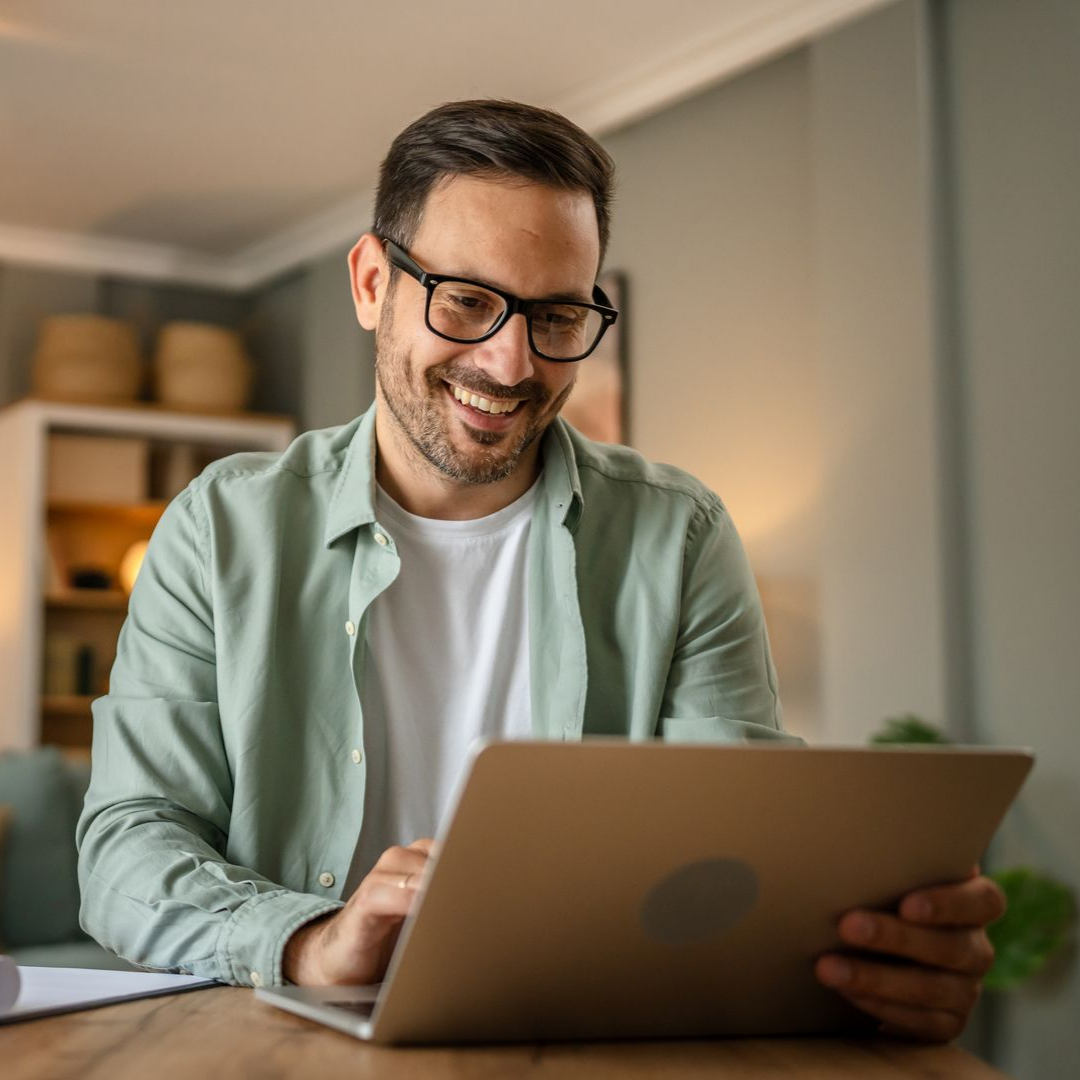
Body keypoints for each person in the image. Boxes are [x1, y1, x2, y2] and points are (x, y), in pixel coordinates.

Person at [77, 99, 1003, 1042]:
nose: (511, 362)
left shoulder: (679, 536)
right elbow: (128, 843)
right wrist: (313, 941)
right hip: (287, 1047)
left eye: (557, 315)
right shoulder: (221, 528)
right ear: (371, 283)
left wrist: (868, 961)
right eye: (466, 301)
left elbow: (735, 855)